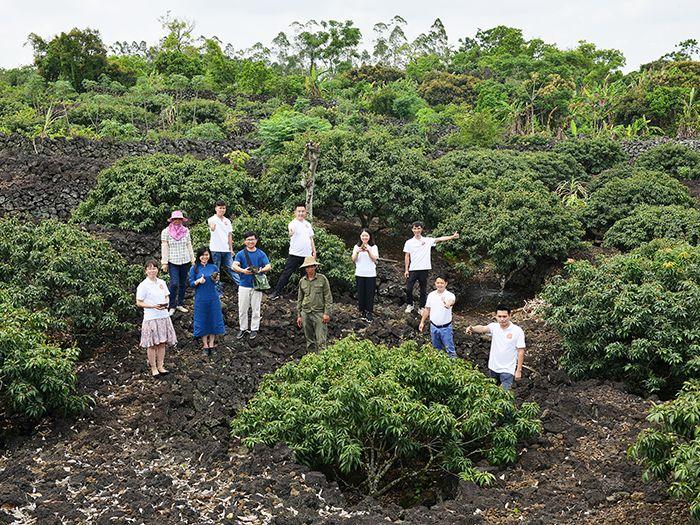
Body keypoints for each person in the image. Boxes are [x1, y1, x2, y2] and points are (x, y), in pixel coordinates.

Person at [403, 222, 459, 314]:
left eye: (418, 228)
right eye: (415, 229)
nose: (417, 230)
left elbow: (440, 239)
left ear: (421, 229)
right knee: (409, 289)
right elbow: (407, 256)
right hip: (413, 269)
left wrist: (452, 237)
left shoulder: (427, 240)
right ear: (412, 230)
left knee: (423, 290)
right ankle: (410, 304)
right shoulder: (409, 242)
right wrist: (406, 269)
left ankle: (421, 307)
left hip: (424, 269)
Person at [466, 305, 526, 390]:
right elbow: (483, 328)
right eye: (499, 316)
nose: (502, 319)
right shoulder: (494, 327)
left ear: (510, 316)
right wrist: (472, 328)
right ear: (495, 316)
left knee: (503, 396)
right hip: (493, 368)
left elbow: (521, 351)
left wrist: (518, 370)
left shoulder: (517, 331)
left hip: (507, 370)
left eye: (504, 316)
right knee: (491, 392)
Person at [135, 260, 177, 377]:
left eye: (154, 268)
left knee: (162, 343)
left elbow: (167, 296)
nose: (152, 270)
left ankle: (161, 366)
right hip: (151, 318)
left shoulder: (162, 282)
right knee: (152, 344)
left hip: (163, 316)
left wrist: (166, 304)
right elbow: (139, 302)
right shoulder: (143, 285)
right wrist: (153, 306)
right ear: (146, 271)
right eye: (149, 268)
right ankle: (153, 368)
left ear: (157, 270)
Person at [270, 204, 316, 300]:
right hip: (294, 254)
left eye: (303, 211)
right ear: (295, 213)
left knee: (306, 276)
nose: (301, 213)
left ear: (306, 213)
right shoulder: (292, 223)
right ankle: (276, 292)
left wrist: (314, 252)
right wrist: (291, 232)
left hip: (307, 255)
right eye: (299, 211)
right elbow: (290, 232)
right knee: (286, 273)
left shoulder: (308, 224)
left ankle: (306, 297)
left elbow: (311, 239)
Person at [233, 231, 272, 340]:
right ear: (245, 241)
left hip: (256, 285)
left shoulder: (260, 253)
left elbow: (268, 266)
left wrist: (260, 270)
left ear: (256, 240)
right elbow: (234, 265)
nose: (250, 241)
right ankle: (243, 328)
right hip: (244, 284)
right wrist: (243, 271)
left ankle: (254, 329)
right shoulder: (240, 254)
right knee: (242, 308)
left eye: (252, 239)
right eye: (248, 239)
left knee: (256, 308)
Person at [189, 247, 226, 356]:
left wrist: (216, 280)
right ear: (198, 256)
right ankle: (205, 345)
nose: (205, 257)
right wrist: (198, 281)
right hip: (200, 298)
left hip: (213, 297)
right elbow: (191, 283)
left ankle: (211, 343)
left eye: (207, 255)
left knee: (213, 319)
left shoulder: (214, 267)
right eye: (202, 255)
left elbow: (216, 282)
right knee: (202, 320)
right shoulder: (194, 268)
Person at [161, 210, 195, 316]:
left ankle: (180, 304)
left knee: (183, 283)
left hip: (185, 260)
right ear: (172, 220)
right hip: (173, 261)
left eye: (179, 219)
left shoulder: (186, 231)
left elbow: (189, 245)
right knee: (174, 283)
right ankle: (172, 305)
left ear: (182, 220)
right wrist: (164, 262)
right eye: (175, 219)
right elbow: (165, 247)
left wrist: (193, 258)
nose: (177, 221)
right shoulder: (166, 231)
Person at [296, 257, 332, 352]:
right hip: (306, 312)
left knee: (321, 340)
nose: (308, 269)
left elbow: (328, 297)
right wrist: (299, 315)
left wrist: (327, 313)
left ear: (315, 267)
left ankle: (322, 361)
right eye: (307, 267)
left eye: (311, 267)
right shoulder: (302, 281)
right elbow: (299, 299)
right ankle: (311, 359)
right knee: (309, 340)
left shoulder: (322, 279)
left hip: (319, 312)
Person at [419, 276, 456, 358]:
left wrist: (447, 304)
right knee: (436, 350)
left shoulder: (450, 295)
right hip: (433, 327)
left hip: (446, 328)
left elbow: (451, 301)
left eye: (442, 283)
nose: (440, 285)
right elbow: (427, 309)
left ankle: (454, 368)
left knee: (450, 350)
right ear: (435, 283)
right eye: (438, 283)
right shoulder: (431, 295)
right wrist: (422, 322)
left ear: (446, 284)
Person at [207, 200, 239, 296]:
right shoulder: (212, 219)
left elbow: (229, 236)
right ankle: (217, 291)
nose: (222, 209)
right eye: (220, 207)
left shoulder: (227, 221)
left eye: (223, 208)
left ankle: (241, 287)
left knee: (232, 268)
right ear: (216, 208)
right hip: (215, 249)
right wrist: (212, 228)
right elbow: (211, 227)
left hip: (226, 249)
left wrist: (231, 249)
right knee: (216, 270)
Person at [351, 228, 379, 322]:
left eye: (366, 235)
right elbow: (353, 259)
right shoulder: (356, 246)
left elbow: (375, 259)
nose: (364, 237)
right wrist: (357, 252)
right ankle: (362, 311)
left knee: (370, 294)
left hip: (370, 274)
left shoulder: (373, 247)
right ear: (360, 236)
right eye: (363, 235)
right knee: (361, 293)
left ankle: (369, 312)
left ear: (369, 236)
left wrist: (368, 251)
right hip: (359, 273)